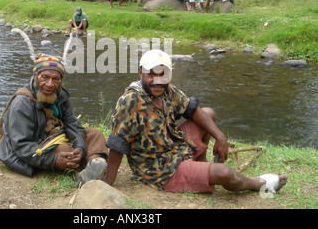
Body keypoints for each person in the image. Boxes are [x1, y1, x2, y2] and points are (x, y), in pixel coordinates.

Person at [105, 49, 288, 194]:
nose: (158, 80)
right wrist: (108, 183)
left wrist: (220, 137)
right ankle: (258, 184)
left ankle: (201, 162)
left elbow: (191, 109)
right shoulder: (130, 101)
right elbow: (118, 143)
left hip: (173, 145)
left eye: (163, 74)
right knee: (224, 173)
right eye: (151, 74)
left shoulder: (166, 89)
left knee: (208, 113)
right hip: (158, 169)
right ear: (141, 73)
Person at [0, 53, 108, 183]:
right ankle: (89, 166)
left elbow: (73, 125)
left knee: (96, 135)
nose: (50, 84)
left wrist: (80, 148)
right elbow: (21, 145)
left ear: (61, 80)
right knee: (67, 151)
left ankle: (93, 164)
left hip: (55, 137)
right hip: (35, 148)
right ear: (35, 77)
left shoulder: (60, 96)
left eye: (56, 79)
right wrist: (53, 160)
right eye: (45, 78)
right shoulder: (22, 103)